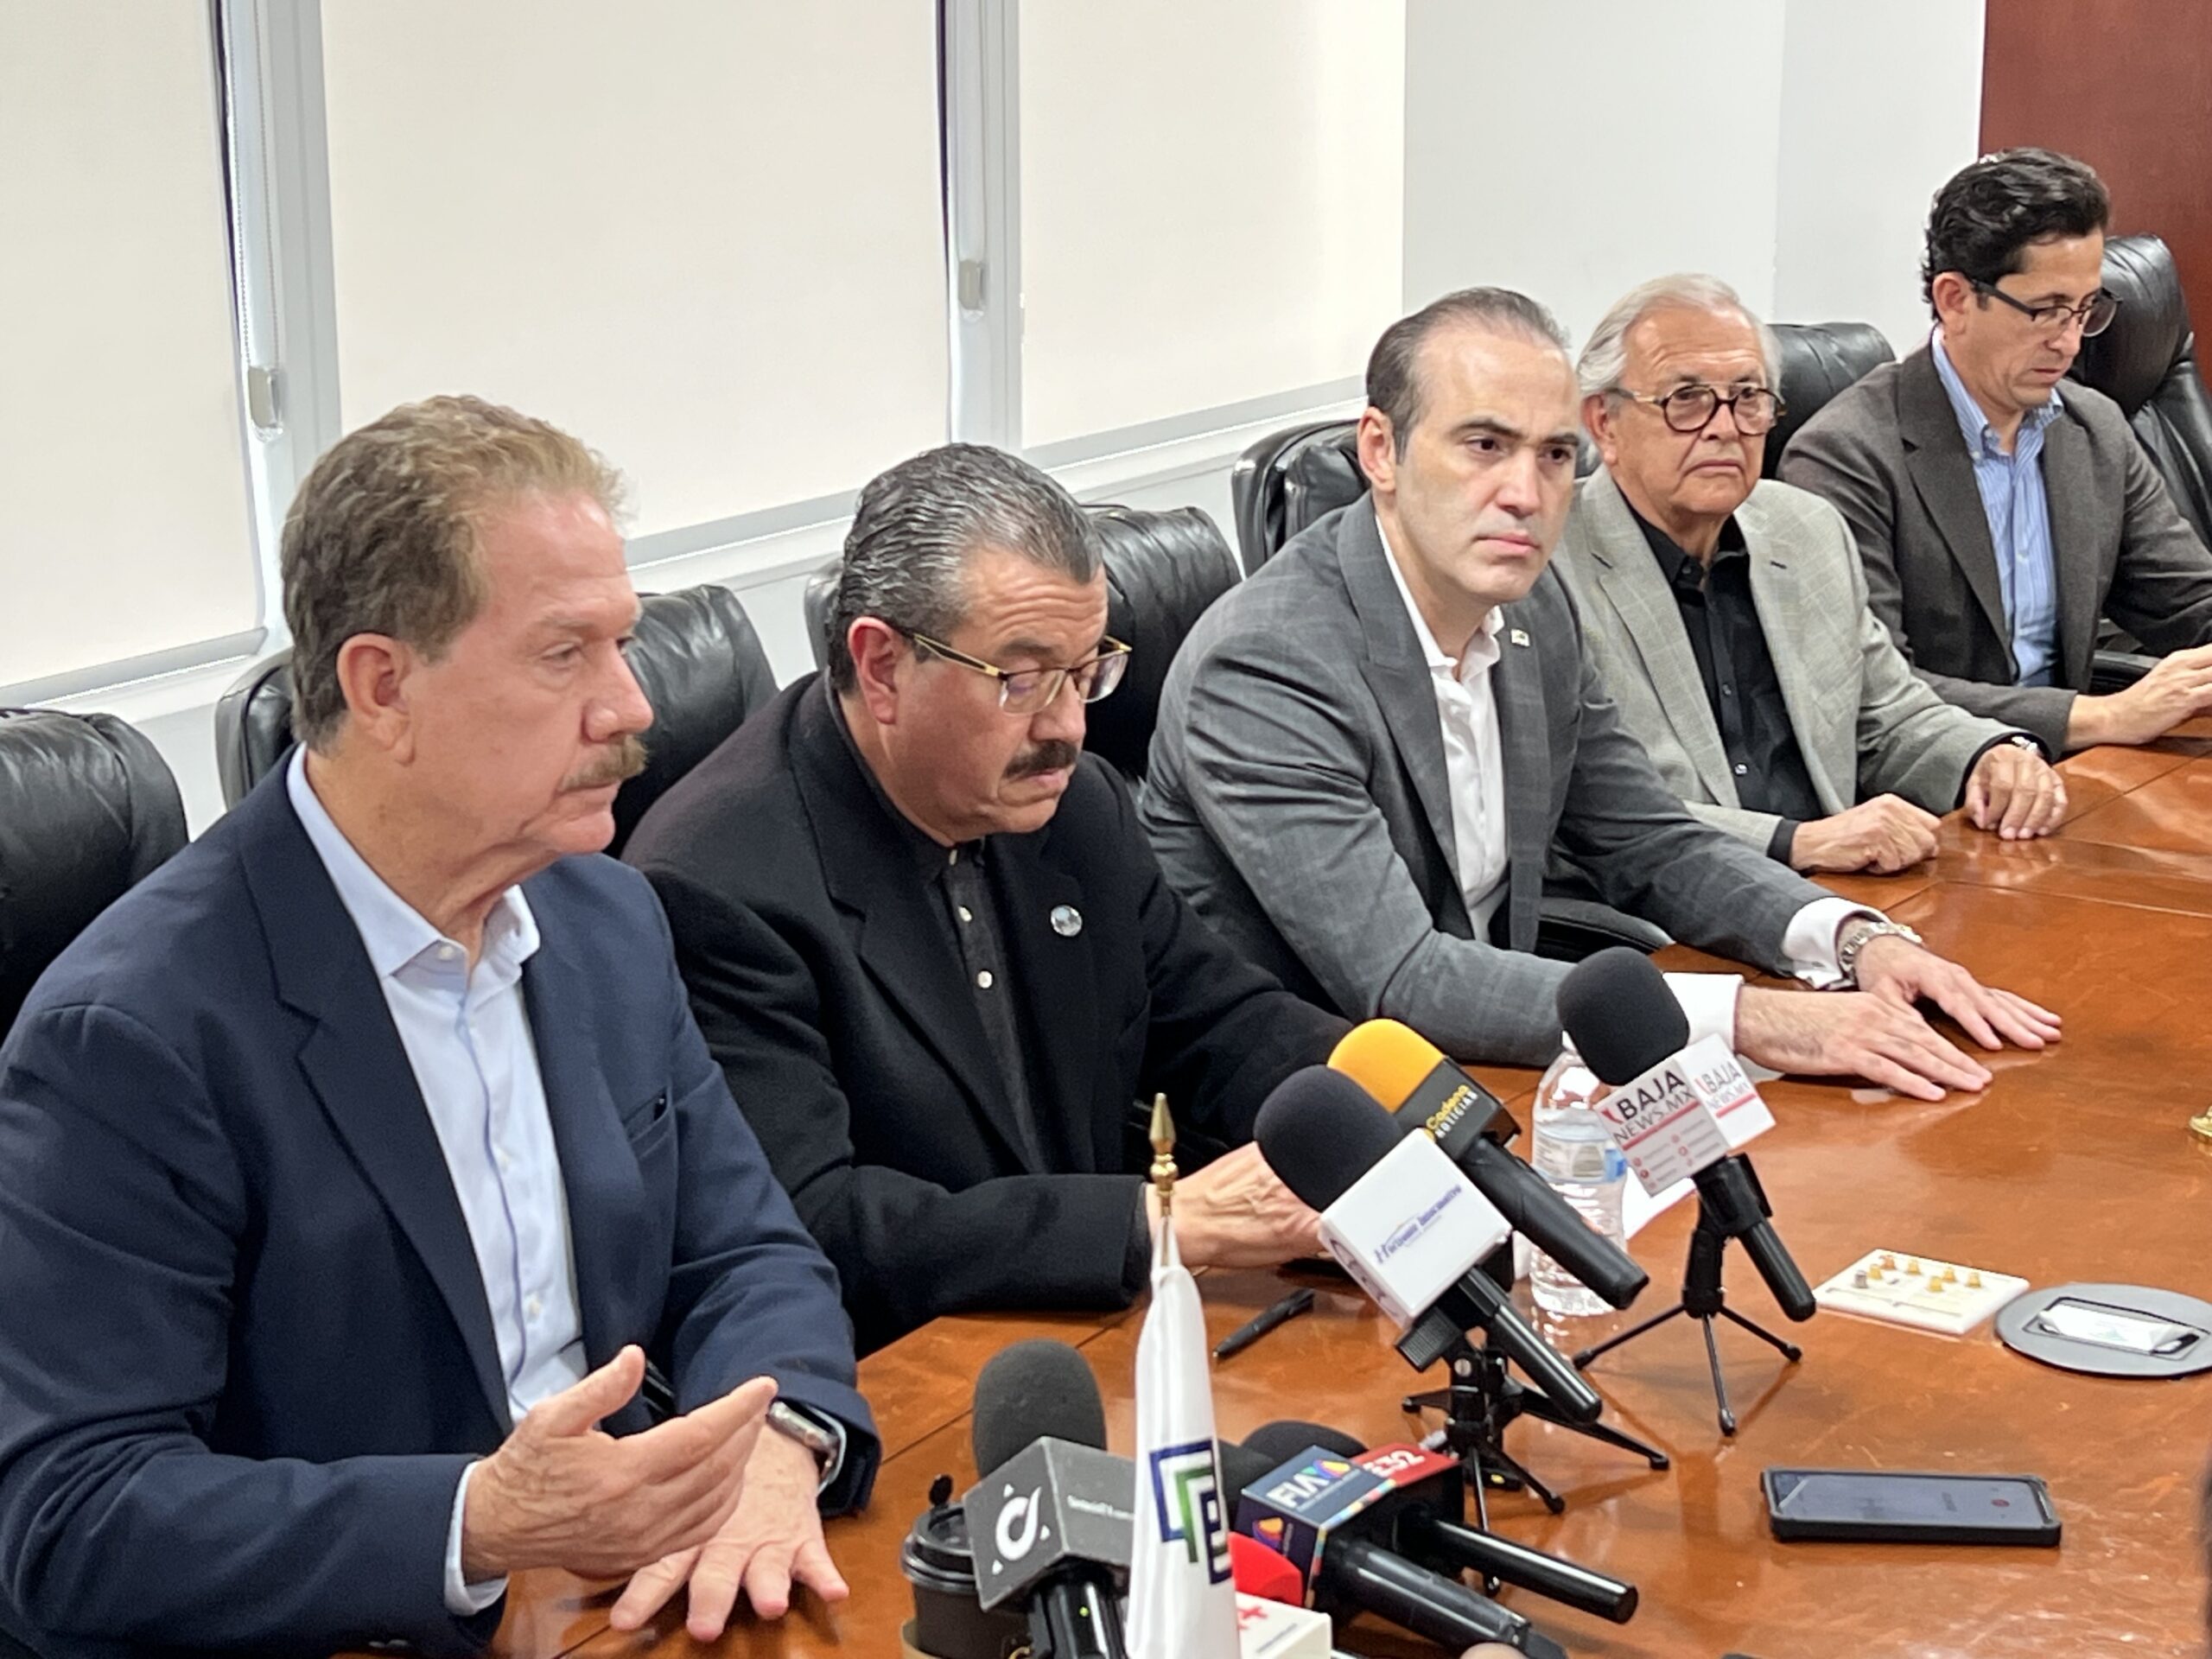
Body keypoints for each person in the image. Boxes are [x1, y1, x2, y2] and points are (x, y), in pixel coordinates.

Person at [0, 397, 877, 1659]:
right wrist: (478, 1521)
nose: (630, 707)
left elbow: (747, 1252)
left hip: (633, 1597)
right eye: (564, 655)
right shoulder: (134, 1035)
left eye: (623, 644)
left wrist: (778, 1444)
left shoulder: (604, 920)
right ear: (384, 688)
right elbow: (74, 1518)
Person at [1142, 287, 2060, 1086]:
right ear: (1380, 451)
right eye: (1483, 445)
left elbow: (1648, 840)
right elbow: (1402, 979)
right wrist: (1752, 1019)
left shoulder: (1533, 606)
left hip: (1504, 1064)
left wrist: (1853, 940)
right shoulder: (1267, 663)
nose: (1525, 492)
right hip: (1309, 1109)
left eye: (1552, 455)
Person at [622, 443, 1347, 1355]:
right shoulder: (717, 885)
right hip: (910, 1366)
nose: (1068, 726)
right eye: (1022, 679)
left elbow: (1218, 1020)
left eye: (1087, 672)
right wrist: (1152, 1220)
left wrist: (1400, 1107)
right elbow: (819, 1220)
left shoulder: (1074, 804)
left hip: (1099, 1329)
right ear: (881, 666)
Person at [1559, 272, 2066, 874]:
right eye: (1686, 399)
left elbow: (1889, 715)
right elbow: (1593, 810)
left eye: (1748, 398)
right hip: (1674, 905)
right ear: (1604, 423)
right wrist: (1795, 843)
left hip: (1846, 890)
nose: (1725, 427)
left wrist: (1990, 755)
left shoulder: (1805, 530)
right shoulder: (1549, 569)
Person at [1782, 147, 2212, 756]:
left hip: (2073, 769)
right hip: (1933, 779)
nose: (2069, 342)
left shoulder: (2093, 429)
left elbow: (2190, 603)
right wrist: (2101, 716)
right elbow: (1874, 690)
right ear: (1955, 299)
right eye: (2046, 311)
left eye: (2085, 309)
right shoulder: (1845, 456)